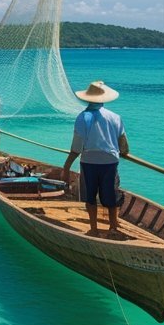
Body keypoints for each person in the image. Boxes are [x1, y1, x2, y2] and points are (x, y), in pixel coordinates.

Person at [62, 81, 128, 237]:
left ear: (87, 98)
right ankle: (113, 227)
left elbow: (76, 148)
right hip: (110, 161)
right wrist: (123, 152)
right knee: (111, 195)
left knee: (90, 196)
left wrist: (66, 167)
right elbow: (124, 144)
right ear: (104, 98)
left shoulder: (81, 118)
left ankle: (94, 229)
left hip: (89, 161)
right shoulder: (115, 117)